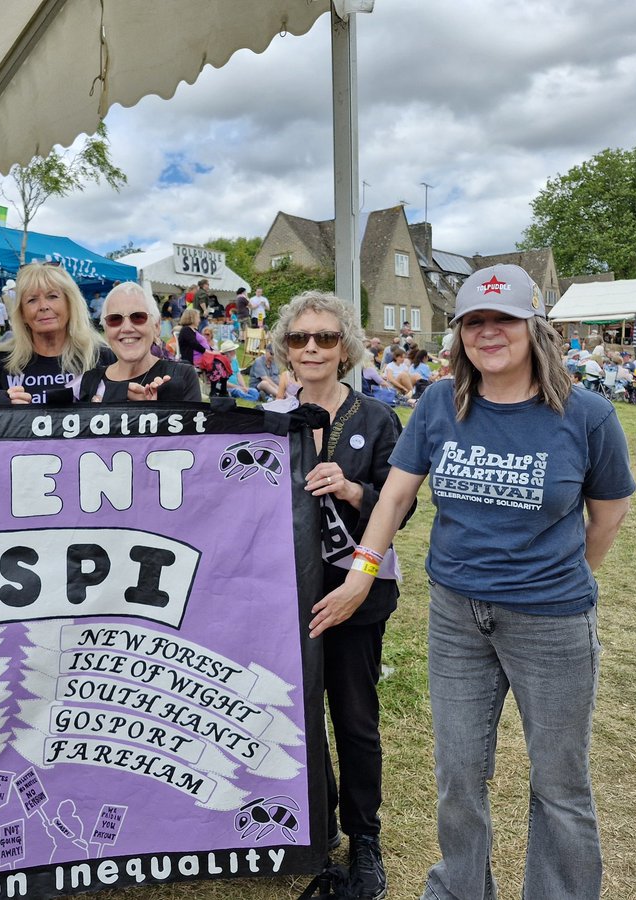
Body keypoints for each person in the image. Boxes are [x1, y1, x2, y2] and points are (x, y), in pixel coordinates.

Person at [316, 264, 634, 900]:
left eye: (505, 319)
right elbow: (394, 497)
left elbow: (607, 515)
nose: (489, 332)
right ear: (459, 333)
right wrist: (361, 573)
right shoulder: (440, 402)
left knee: (560, 783)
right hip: (456, 617)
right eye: (474, 322)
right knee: (458, 775)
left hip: (551, 622)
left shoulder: (588, 416)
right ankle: (459, 890)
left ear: (535, 328)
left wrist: (559, 581)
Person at [271, 290, 410, 900]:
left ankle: (364, 837)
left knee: (353, 716)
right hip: (284, 591)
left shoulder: (377, 419)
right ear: (285, 348)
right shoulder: (268, 417)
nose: (312, 348)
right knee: (295, 713)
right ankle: (315, 822)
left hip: (355, 590)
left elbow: (400, 507)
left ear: (345, 348)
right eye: (300, 338)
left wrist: (352, 491)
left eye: (325, 337)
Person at [0, 262, 112, 403]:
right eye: (32, 300)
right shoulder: (1, 363)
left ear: (70, 304)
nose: (43, 306)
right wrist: (6, 408)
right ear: (22, 313)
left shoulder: (101, 357)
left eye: (52, 296)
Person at [76, 282, 201, 403]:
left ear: (156, 326)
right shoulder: (88, 383)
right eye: (115, 319)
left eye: (138, 317)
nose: (127, 328)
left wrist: (163, 406)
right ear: (106, 330)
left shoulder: (181, 377)